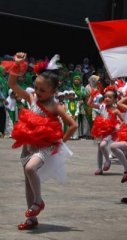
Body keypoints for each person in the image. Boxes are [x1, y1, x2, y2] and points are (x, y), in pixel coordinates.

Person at [4, 52, 77, 230]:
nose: (38, 92)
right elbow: (12, 84)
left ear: (54, 91)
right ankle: (32, 219)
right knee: (28, 182)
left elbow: (73, 125)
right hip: (28, 147)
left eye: (42, 90)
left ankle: (39, 201)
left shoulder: (55, 105)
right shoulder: (32, 98)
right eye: (36, 88)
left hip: (44, 147)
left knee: (30, 169)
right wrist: (17, 65)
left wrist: (60, 142)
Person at [90, 86, 123, 175]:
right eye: (105, 97)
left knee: (102, 145)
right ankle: (99, 168)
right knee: (99, 149)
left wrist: (118, 126)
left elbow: (123, 122)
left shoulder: (116, 111)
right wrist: (92, 96)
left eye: (110, 97)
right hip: (100, 130)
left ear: (115, 99)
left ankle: (108, 161)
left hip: (110, 132)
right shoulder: (102, 106)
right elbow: (90, 104)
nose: (107, 98)